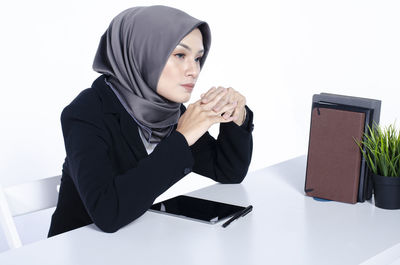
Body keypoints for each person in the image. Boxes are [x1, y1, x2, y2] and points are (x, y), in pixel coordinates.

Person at [48, 5, 254, 237]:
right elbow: (107, 213)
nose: (194, 70)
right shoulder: (87, 112)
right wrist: (182, 138)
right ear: (142, 53)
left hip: (139, 243)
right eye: (180, 55)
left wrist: (236, 116)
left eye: (198, 58)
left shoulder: (166, 110)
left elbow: (228, 171)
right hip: (77, 248)